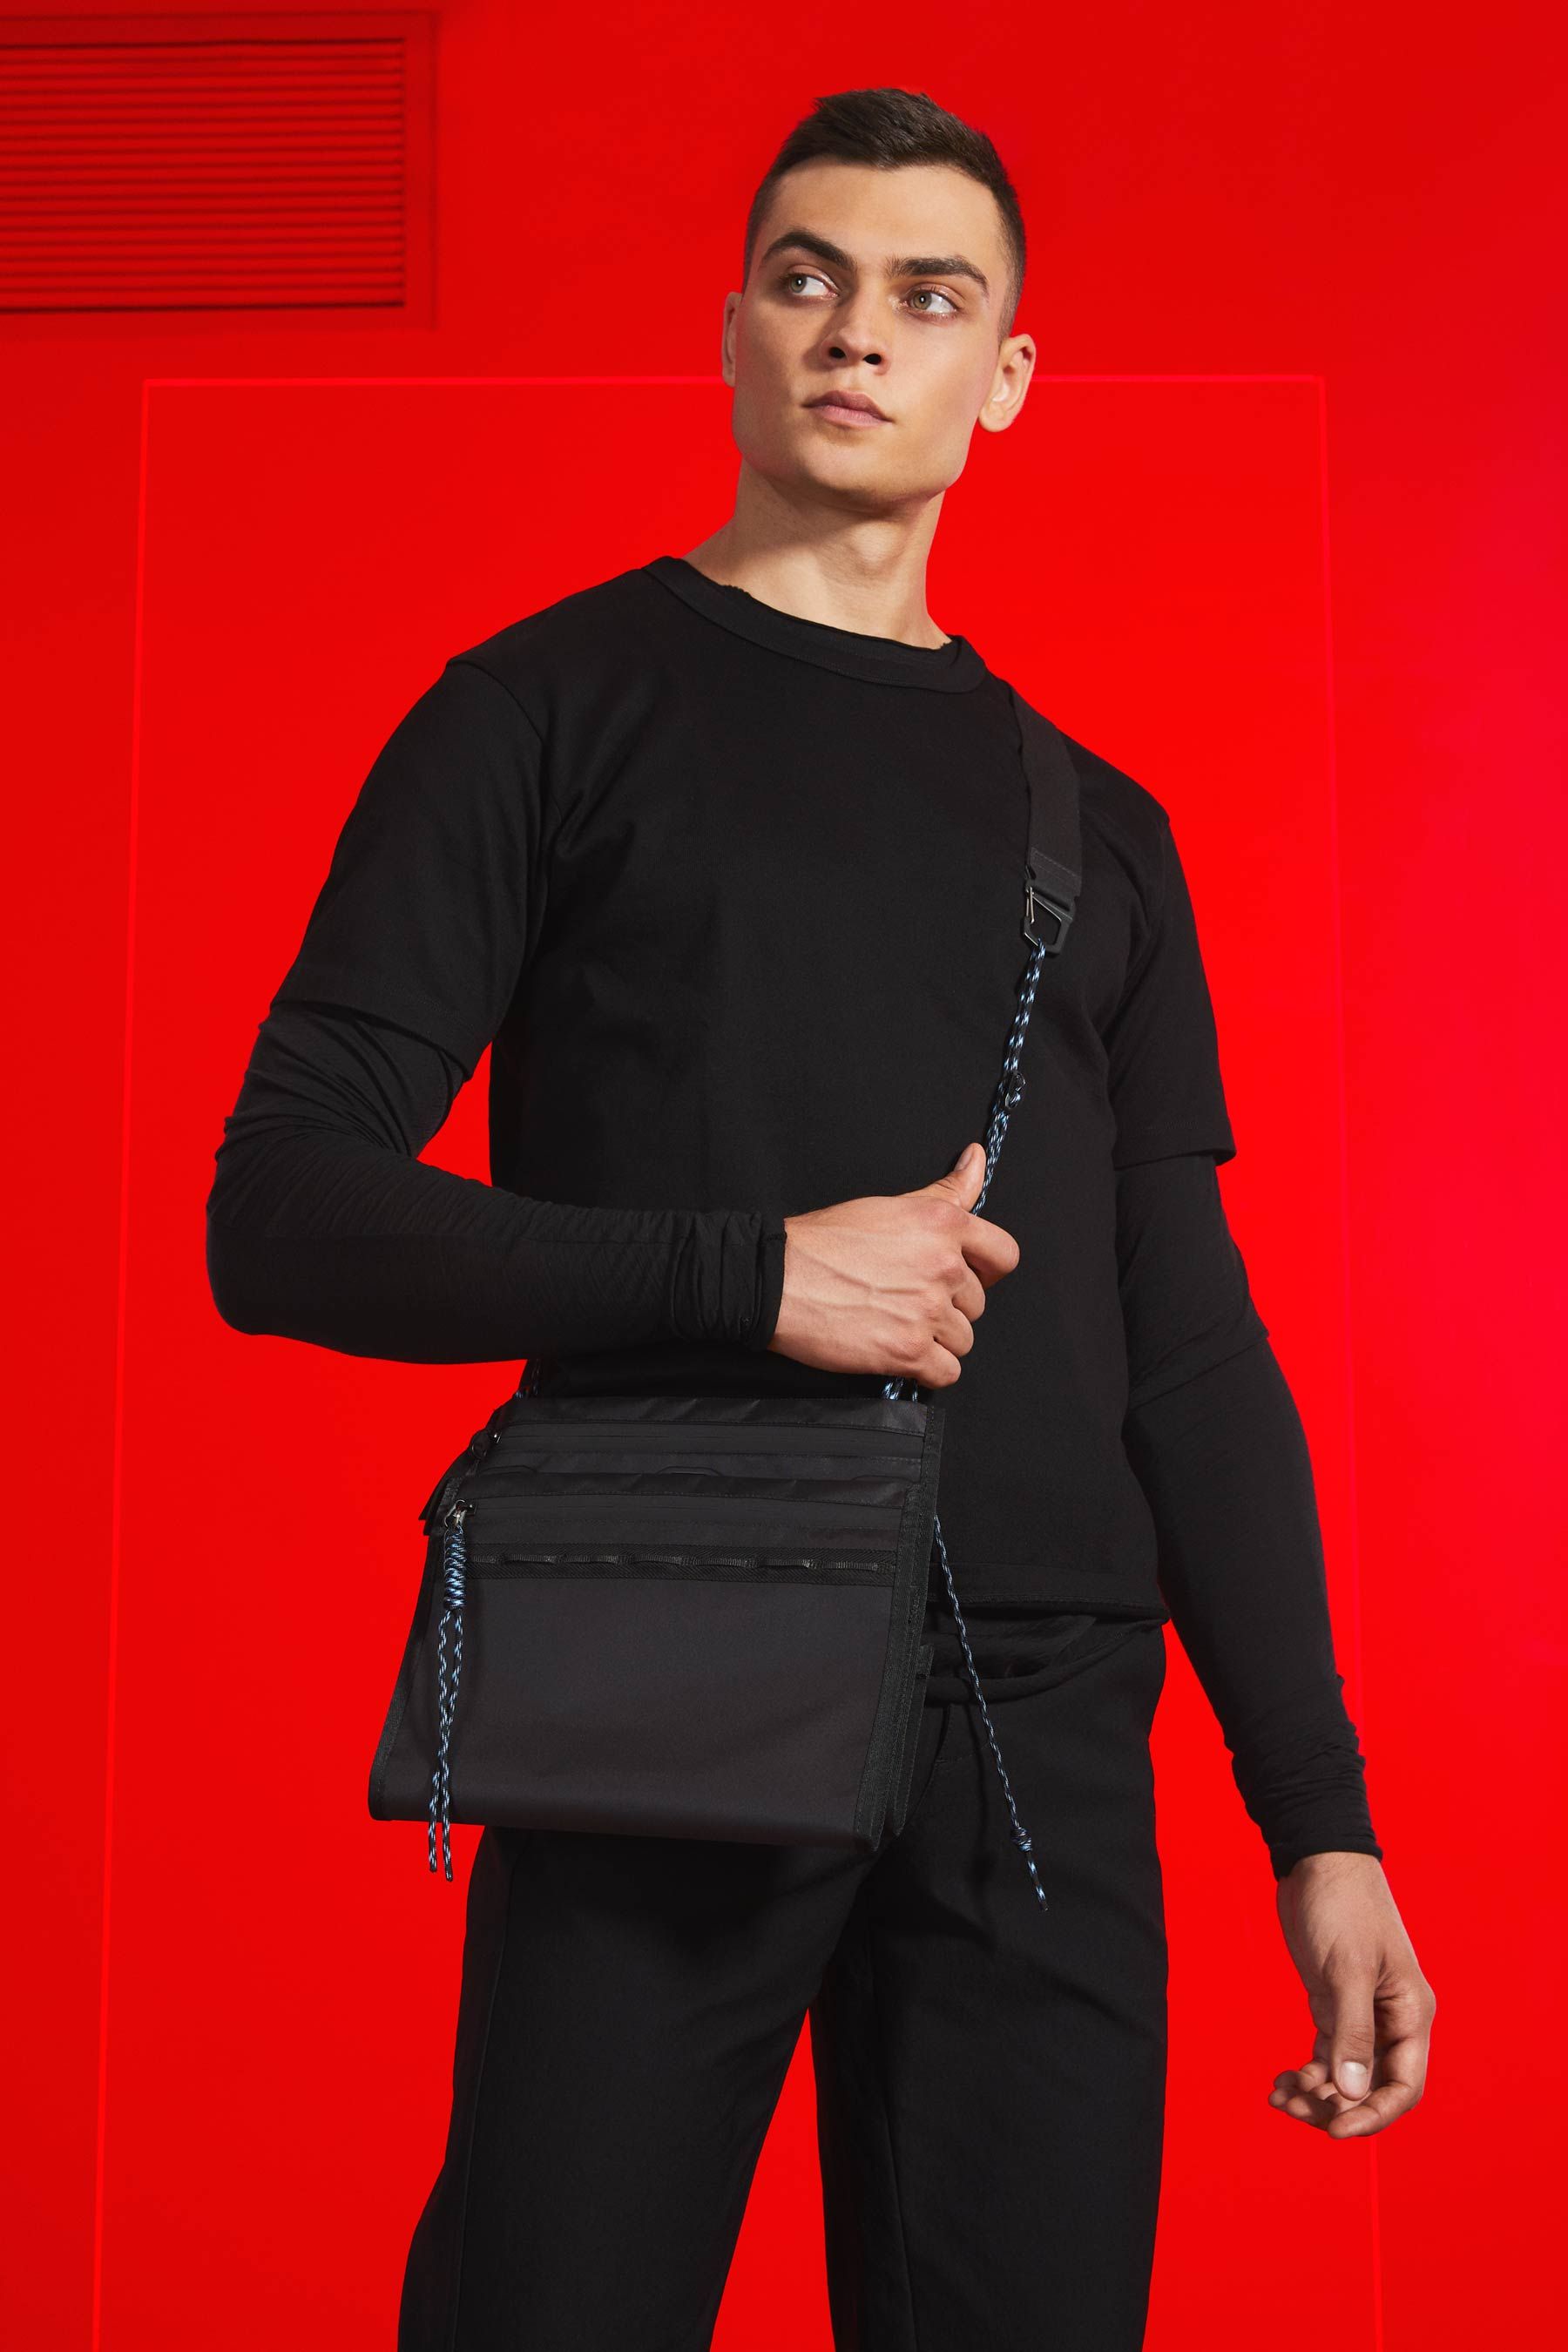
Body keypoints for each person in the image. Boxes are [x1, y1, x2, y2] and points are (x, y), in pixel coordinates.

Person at [205, 84, 1436, 2352]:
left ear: (1007, 375)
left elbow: (1188, 1345)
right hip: (677, 1643)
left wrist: (1319, 1817)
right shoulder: (542, 713)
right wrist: (757, 1275)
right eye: (808, 277)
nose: (859, 330)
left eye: (926, 295)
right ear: (738, 331)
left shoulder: (1105, 827)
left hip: (1047, 1724)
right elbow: (279, 1209)